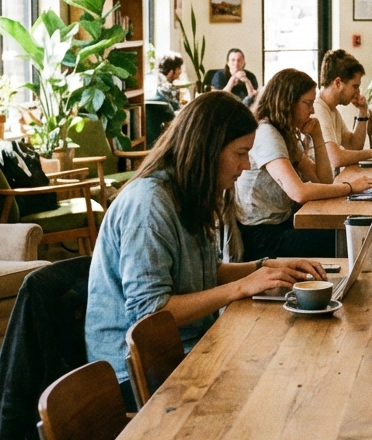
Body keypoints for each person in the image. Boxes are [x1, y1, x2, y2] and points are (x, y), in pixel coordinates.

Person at [85, 92, 326, 409]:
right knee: (275, 390)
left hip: (187, 346)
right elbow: (150, 312)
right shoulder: (148, 205)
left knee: (289, 371)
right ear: (207, 150)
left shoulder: (189, 190)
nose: (246, 164)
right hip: (135, 372)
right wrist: (239, 288)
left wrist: (267, 267)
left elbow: (202, 272)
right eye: (240, 153)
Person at [236, 69, 372, 260]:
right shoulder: (267, 132)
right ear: (287, 103)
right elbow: (299, 192)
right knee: (364, 235)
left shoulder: (284, 132)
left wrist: (317, 134)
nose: (312, 111)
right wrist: (350, 187)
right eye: (307, 104)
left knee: (369, 230)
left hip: (282, 225)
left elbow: (324, 179)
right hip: (263, 238)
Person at [314, 49, 372, 169]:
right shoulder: (318, 110)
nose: (357, 92)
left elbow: (353, 146)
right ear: (338, 83)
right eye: (355, 86)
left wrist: (363, 111)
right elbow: (336, 159)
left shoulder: (332, 110)